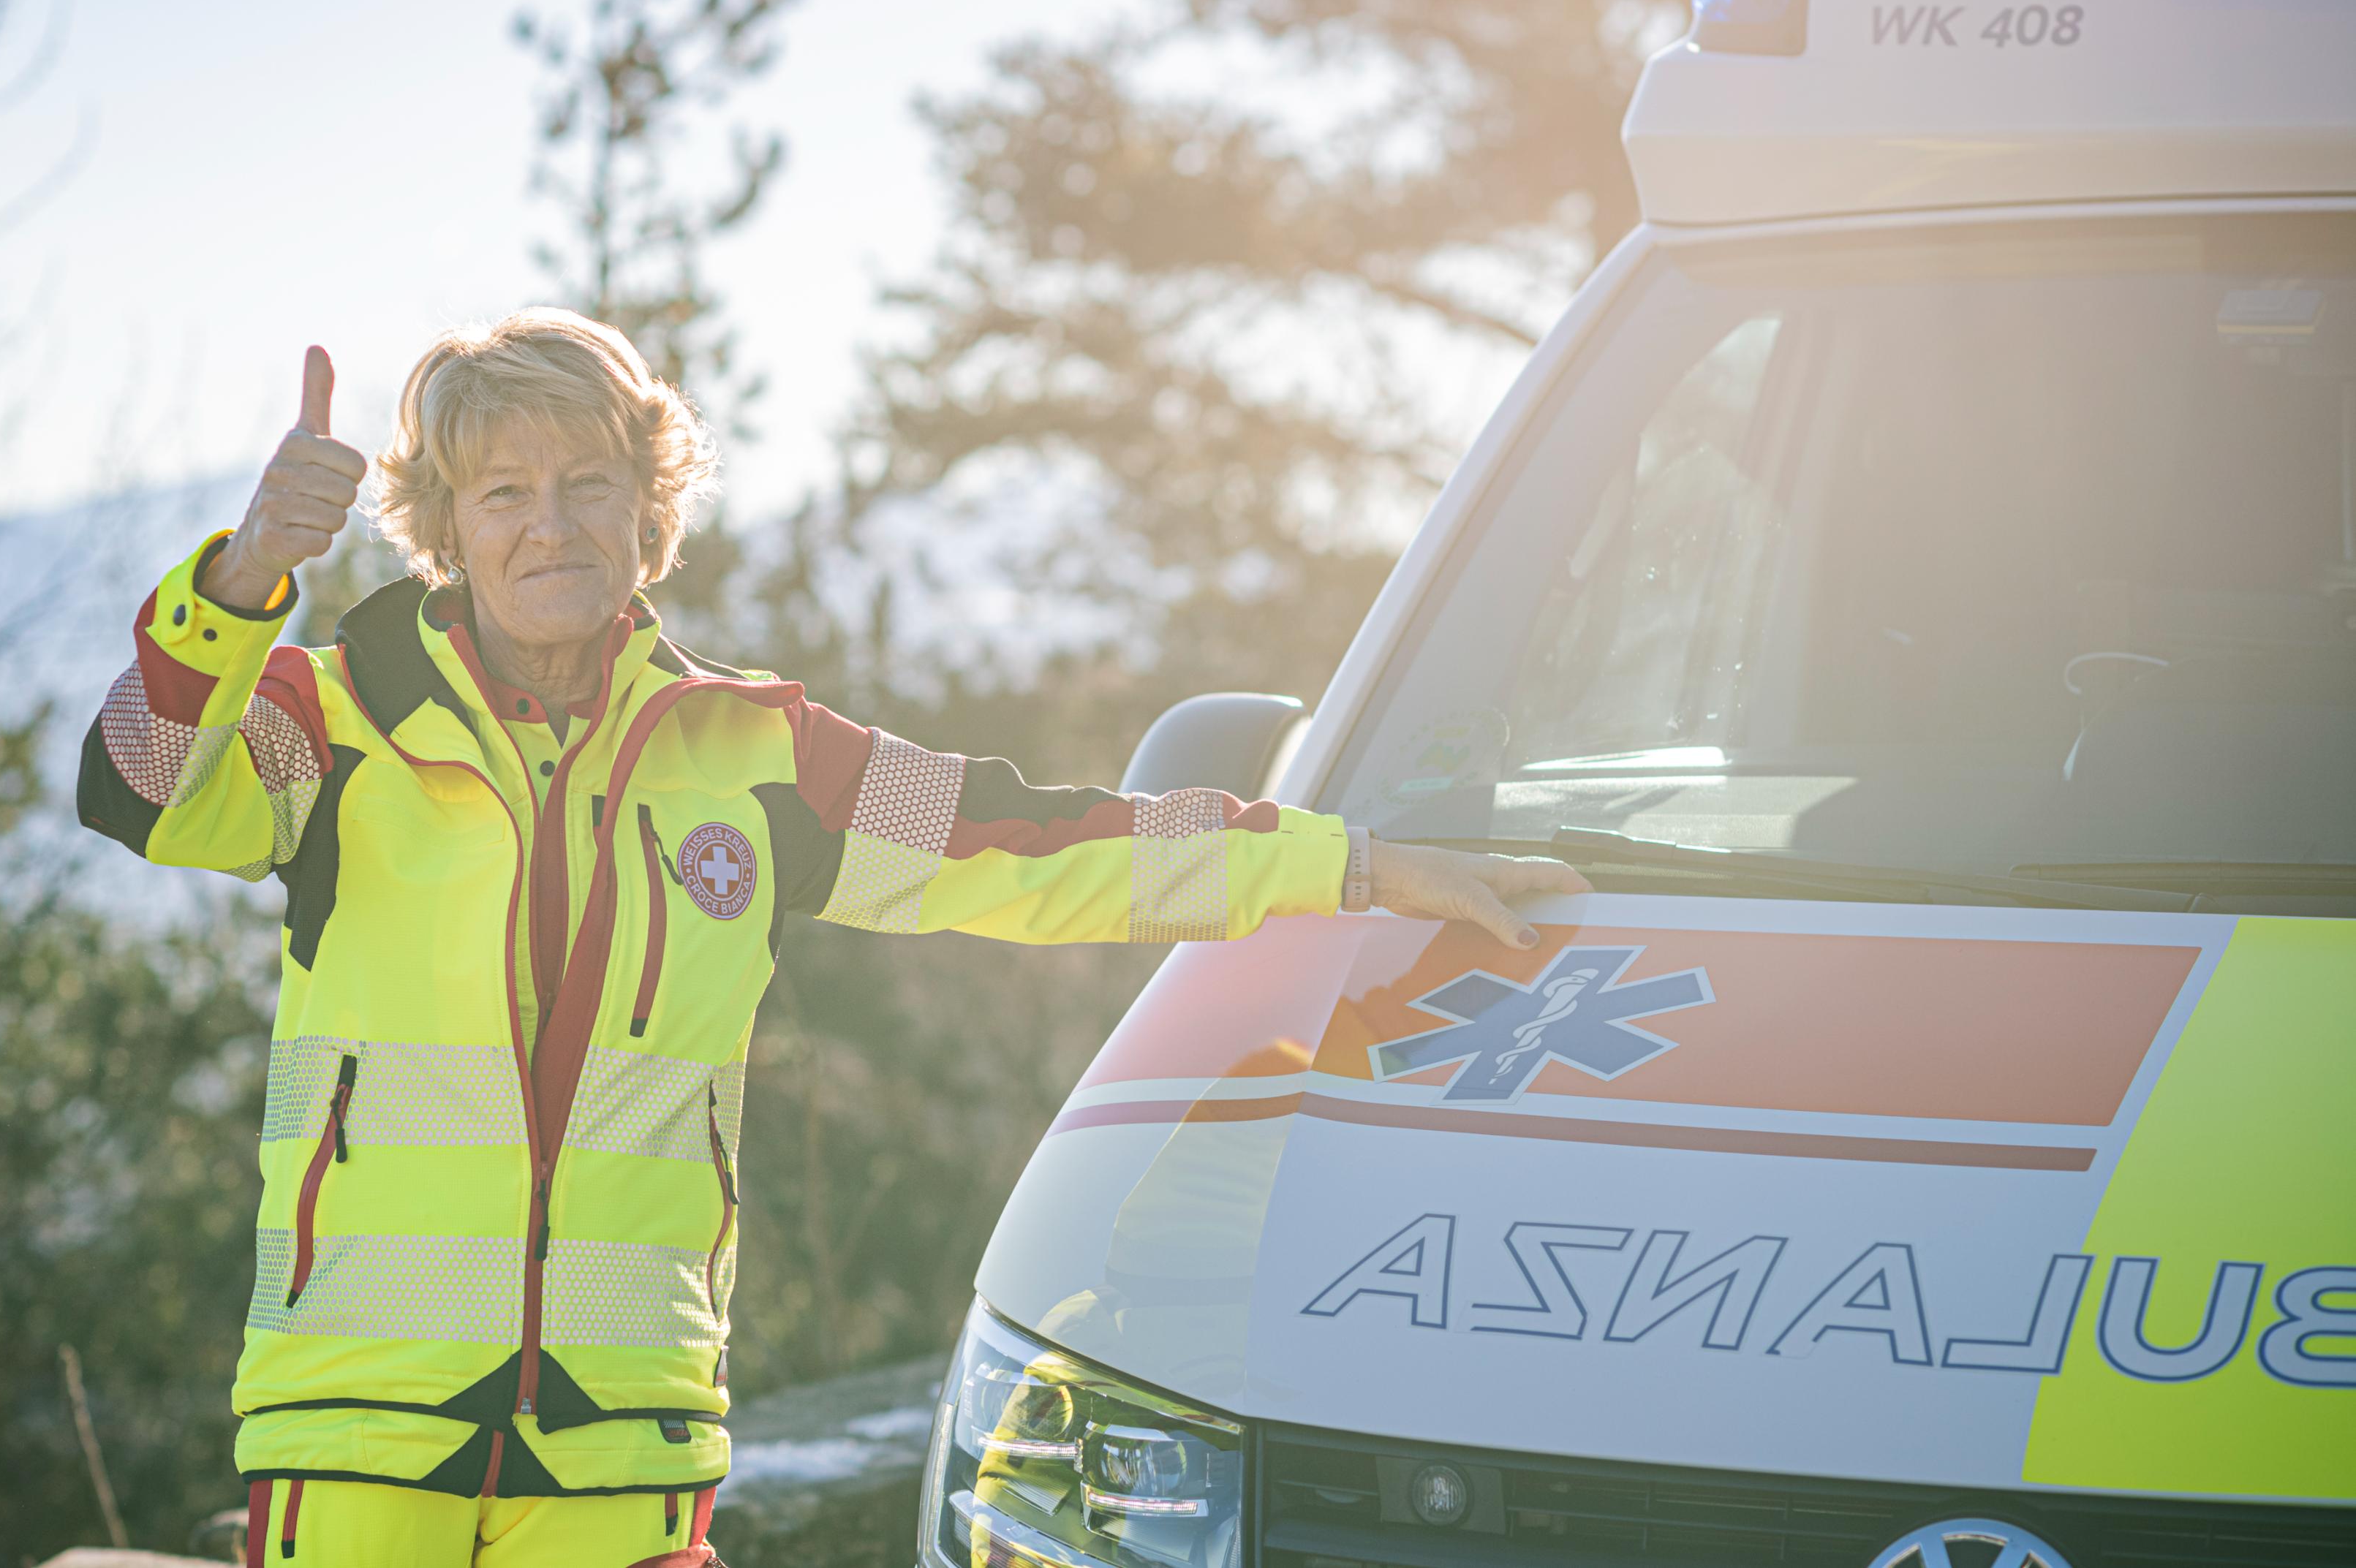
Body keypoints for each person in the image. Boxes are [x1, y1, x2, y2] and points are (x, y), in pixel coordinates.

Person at [77, 311, 1587, 1567]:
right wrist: (242, 582)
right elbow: (137, 787)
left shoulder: (756, 753)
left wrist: (1357, 863)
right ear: (445, 532)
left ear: (649, 513)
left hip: (624, 1429)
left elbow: (1038, 845)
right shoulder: (335, 717)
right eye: (504, 492)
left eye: (591, 483)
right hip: (359, 1422)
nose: (551, 524)